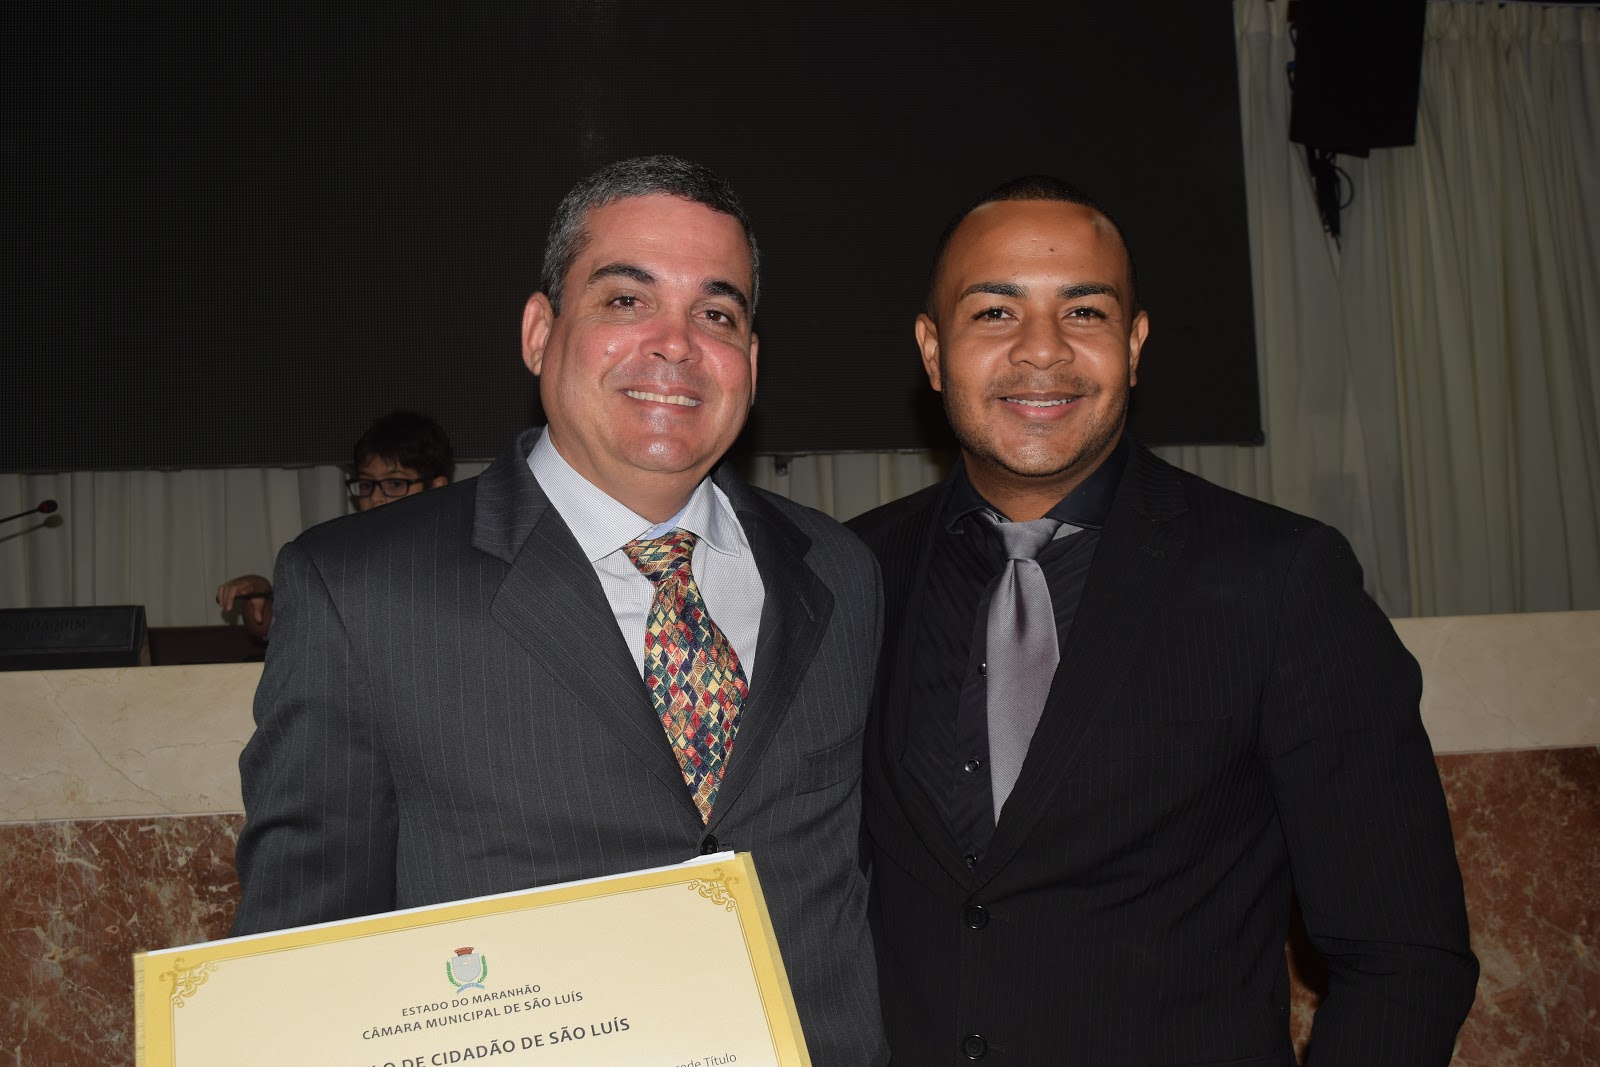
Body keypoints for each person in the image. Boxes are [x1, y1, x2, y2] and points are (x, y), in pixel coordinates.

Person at [231, 156, 887, 1065]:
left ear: (752, 359)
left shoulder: (841, 573)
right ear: (540, 332)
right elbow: (298, 958)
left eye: (717, 313)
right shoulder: (360, 590)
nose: (676, 343)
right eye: (626, 300)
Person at [847, 176, 1478, 1065]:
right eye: (994, 312)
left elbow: (1404, 956)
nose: (1042, 350)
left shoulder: (1283, 580)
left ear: (1135, 345)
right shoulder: (847, 576)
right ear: (932, 349)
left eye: (1085, 312)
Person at [215, 410, 455, 638]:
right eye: (366, 485)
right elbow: (269, 626)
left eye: (395, 484)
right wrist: (259, 595)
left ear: (438, 488)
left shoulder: (462, 558)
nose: (375, 498)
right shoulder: (340, 562)